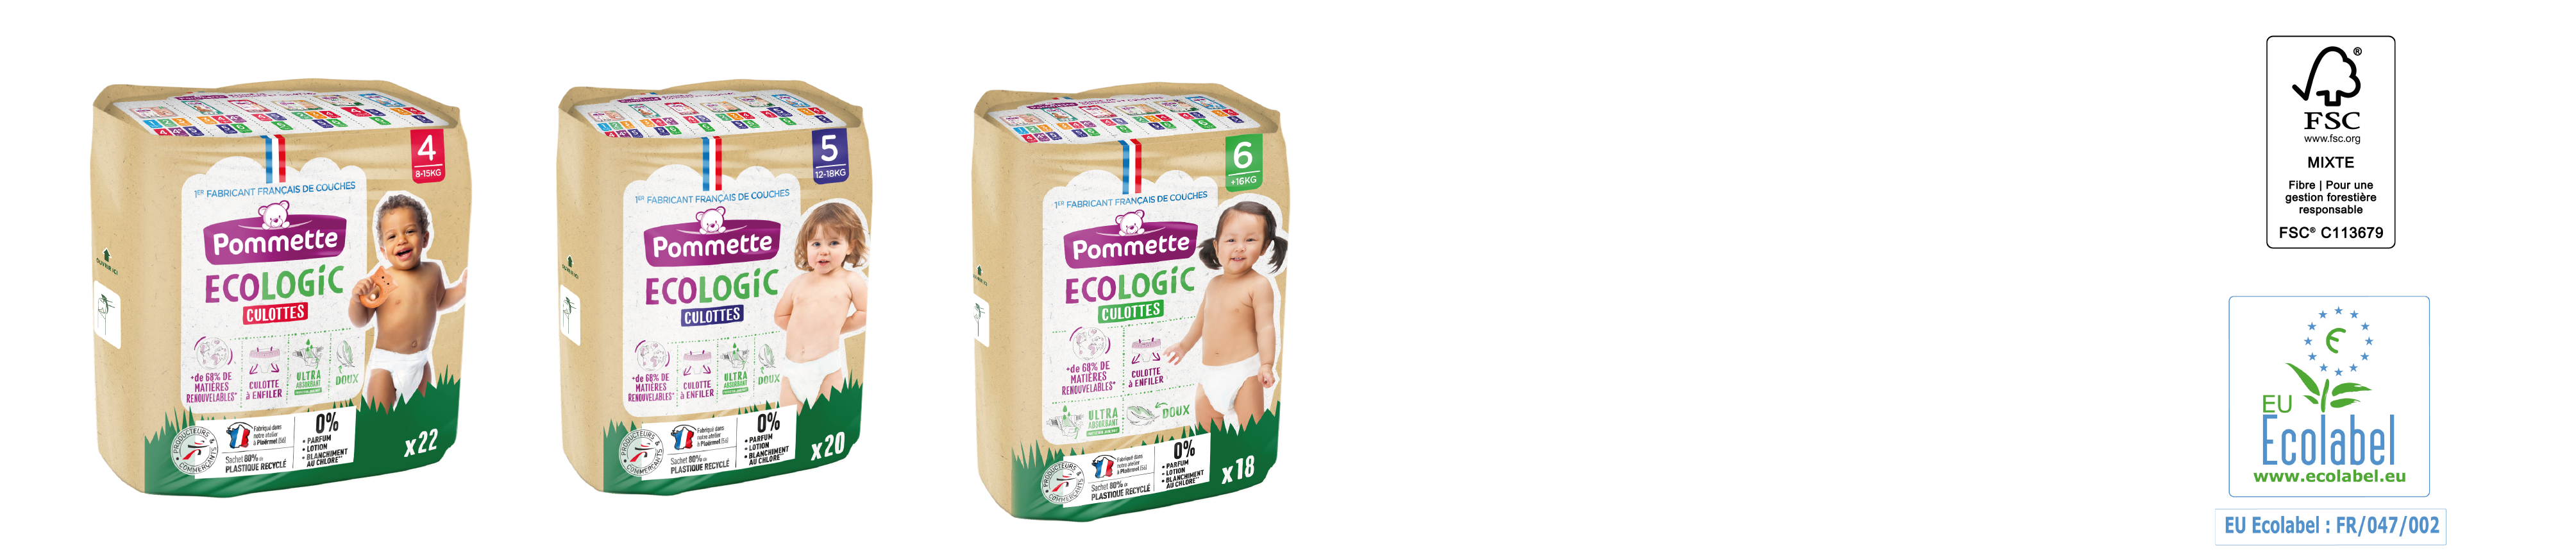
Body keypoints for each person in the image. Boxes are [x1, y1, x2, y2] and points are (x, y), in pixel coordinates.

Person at [1161, 201, 1287, 428]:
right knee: (1207, 434)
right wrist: (1183, 347)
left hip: (1245, 374)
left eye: (1250, 240)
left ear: (1265, 247)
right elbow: (1201, 322)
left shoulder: (1258, 285)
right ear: (1217, 246)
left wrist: (1267, 364)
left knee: (1253, 432)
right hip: (1209, 376)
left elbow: (1266, 328)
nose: (1240, 248)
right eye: (1231, 240)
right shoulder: (1213, 284)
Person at [347, 194, 467, 409]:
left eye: (410, 231)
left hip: (421, 363)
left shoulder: (433, 272)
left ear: (425, 238)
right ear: (383, 251)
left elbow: (440, 301)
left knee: (421, 416)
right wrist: (356, 301)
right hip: (387, 366)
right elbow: (361, 321)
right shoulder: (382, 280)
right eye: (392, 236)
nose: (401, 240)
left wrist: (462, 288)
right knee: (378, 418)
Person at [771, 203, 869, 407]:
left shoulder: (850, 280)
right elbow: (780, 317)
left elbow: (865, 312)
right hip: (792, 371)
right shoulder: (798, 283)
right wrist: (805, 329)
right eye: (816, 244)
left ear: (850, 246)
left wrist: (836, 328)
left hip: (826, 369)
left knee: (828, 417)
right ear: (806, 246)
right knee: (791, 422)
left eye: (833, 243)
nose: (824, 251)